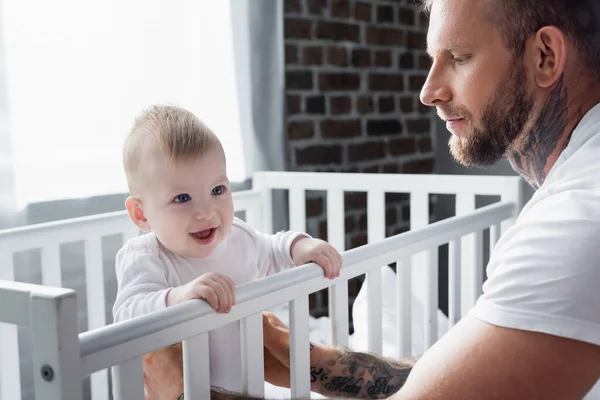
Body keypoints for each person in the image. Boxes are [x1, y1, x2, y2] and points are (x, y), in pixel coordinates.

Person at [143, 0, 600, 398]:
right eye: (432, 59)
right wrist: (311, 362)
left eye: (459, 57)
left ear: (545, 55)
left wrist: (182, 392)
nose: (428, 91)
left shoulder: (575, 218)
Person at [113, 105, 342, 393]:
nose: (206, 211)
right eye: (182, 198)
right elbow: (127, 315)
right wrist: (179, 297)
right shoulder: (147, 256)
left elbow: (271, 249)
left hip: (243, 389)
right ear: (141, 214)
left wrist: (299, 245)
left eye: (217, 190)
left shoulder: (236, 238)